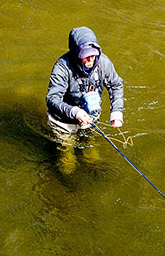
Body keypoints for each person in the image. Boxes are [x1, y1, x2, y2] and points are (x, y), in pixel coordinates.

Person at [46, 26, 124, 172]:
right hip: (63, 121)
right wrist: (74, 112)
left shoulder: (104, 63)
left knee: (92, 157)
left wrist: (117, 112)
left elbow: (116, 86)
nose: (90, 59)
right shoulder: (62, 67)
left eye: (93, 55)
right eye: (85, 55)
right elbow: (52, 98)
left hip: (90, 118)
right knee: (67, 164)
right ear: (75, 53)